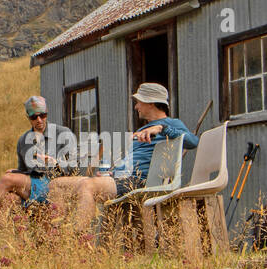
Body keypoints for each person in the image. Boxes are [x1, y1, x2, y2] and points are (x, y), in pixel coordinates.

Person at [48, 82, 198, 226]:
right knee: (57, 184)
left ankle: (79, 239)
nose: (136, 106)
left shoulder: (171, 123)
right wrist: (111, 173)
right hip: (123, 177)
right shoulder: (141, 131)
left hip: (140, 180)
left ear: (151, 102)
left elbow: (193, 141)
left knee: (88, 185)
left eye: (139, 102)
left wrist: (161, 128)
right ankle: (59, 238)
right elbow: (128, 161)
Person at [0, 96, 77, 212]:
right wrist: (17, 172)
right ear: (28, 118)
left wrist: (56, 164)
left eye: (42, 115)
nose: (39, 120)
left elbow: (74, 169)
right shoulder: (23, 140)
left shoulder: (64, 133)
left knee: (7, 179)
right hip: (33, 185)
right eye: (34, 117)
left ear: (47, 113)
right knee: (9, 199)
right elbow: (26, 171)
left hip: (56, 185)